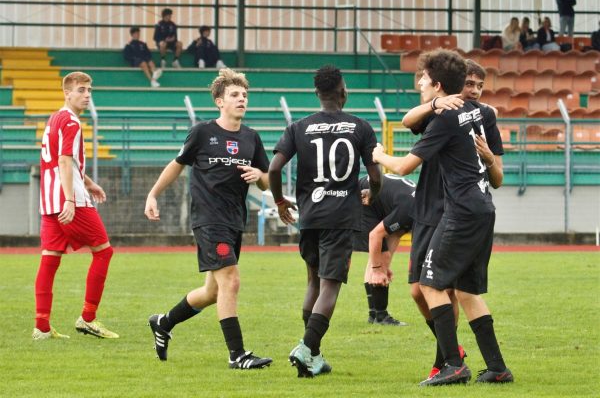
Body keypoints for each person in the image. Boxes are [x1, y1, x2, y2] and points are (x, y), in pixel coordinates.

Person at [375, 49, 512, 386]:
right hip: (482, 208)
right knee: (466, 292)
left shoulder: (448, 119)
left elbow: (405, 166)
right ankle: (497, 368)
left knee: (429, 285)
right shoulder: (476, 113)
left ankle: (453, 363)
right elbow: (411, 119)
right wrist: (436, 105)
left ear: (436, 85)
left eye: (424, 79)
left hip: (461, 211)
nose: (420, 83)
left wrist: (379, 154)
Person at [144, 68, 272, 370]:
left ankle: (163, 322)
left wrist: (260, 176)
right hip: (208, 219)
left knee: (213, 292)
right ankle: (237, 354)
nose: (242, 99)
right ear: (219, 101)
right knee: (231, 280)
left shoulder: (251, 138)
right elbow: (177, 165)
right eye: (234, 95)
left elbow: (266, 180)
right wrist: (153, 194)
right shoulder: (202, 132)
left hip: (234, 220)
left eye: (244, 95)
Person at [269, 65, 382, 378]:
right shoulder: (360, 127)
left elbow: (275, 169)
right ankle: (305, 347)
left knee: (313, 281)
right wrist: (372, 194)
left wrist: (280, 201)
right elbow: (375, 174)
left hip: (310, 215)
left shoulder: (299, 127)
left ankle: (314, 357)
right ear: (343, 92)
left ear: (317, 93)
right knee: (331, 285)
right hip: (341, 216)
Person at [33, 71, 118, 341]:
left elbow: (64, 159)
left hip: (48, 201)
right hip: (70, 200)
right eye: (81, 90)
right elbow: (64, 162)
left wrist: (89, 182)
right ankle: (88, 318)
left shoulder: (55, 118)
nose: (87, 95)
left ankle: (42, 327)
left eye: (89, 90)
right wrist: (71, 197)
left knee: (49, 261)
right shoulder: (70, 121)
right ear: (67, 93)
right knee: (104, 252)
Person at [353, 174, 414, 327]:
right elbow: (375, 236)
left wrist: (385, 265)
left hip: (380, 197)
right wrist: (378, 269)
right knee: (380, 257)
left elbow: (398, 233)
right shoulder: (411, 210)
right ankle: (380, 315)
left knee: (383, 258)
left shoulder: (417, 208)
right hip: (366, 196)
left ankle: (374, 314)